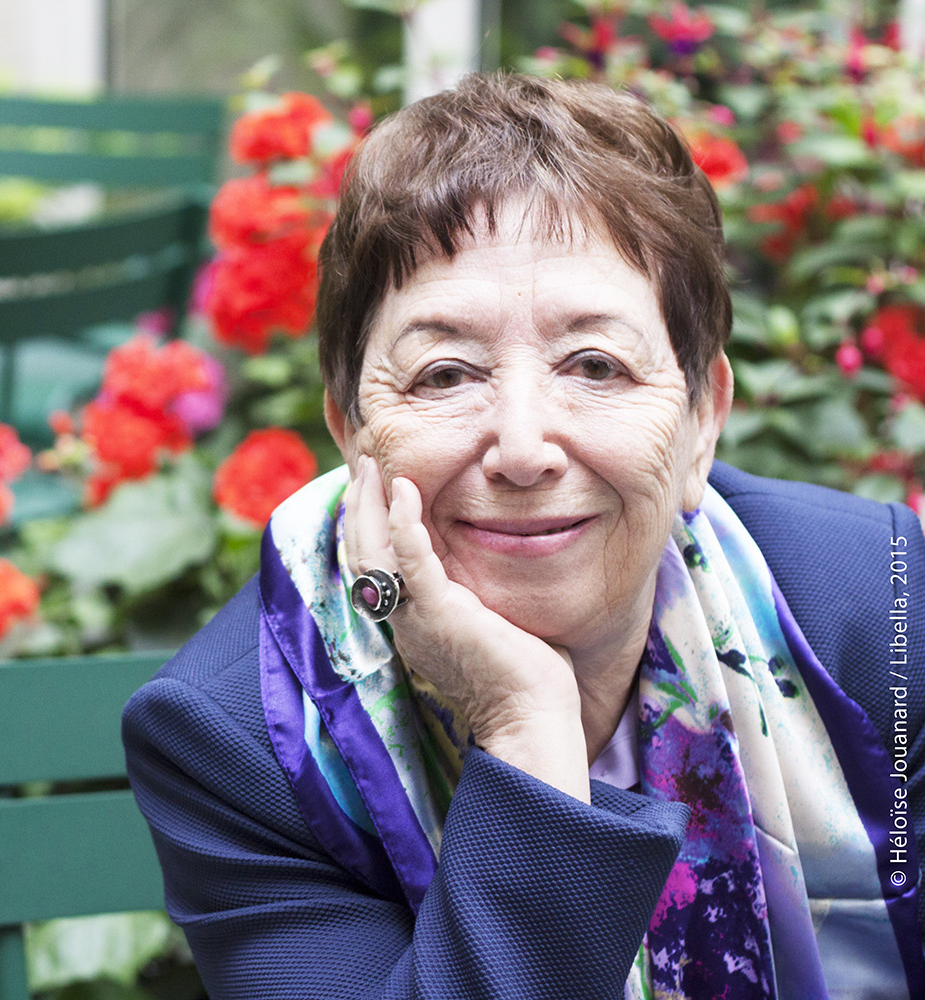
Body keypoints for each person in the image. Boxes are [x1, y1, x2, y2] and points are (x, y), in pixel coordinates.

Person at [122, 73, 925, 999]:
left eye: (596, 365)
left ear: (703, 418)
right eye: (445, 374)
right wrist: (525, 725)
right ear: (351, 431)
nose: (522, 449)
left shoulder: (874, 600)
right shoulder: (241, 741)